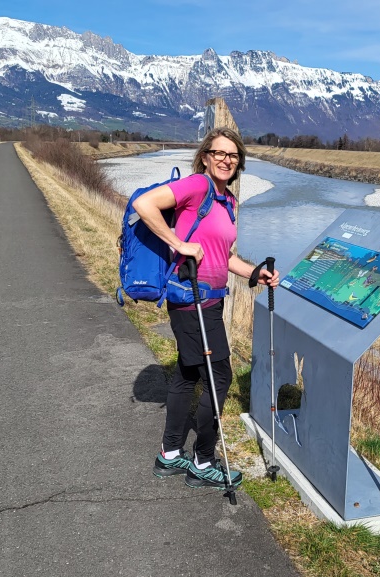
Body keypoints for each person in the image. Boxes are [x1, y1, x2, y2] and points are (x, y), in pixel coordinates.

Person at [131, 128, 279, 489]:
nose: (226, 160)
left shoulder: (226, 200)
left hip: (210, 300)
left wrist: (255, 273)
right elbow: (144, 205)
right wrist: (179, 244)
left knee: (188, 374)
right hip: (189, 300)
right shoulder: (197, 186)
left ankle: (169, 455)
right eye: (219, 153)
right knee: (221, 376)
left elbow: (222, 256)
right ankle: (203, 461)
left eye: (233, 155)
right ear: (206, 156)